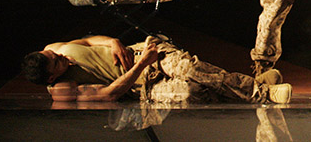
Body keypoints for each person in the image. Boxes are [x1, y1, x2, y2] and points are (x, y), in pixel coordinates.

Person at [21, 34, 291, 104]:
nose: (60, 55)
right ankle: (254, 83)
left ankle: (262, 93)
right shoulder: (63, 90)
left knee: (189, 69)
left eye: (54, 53)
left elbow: (89, 40)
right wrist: (141, 65)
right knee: (191, 93)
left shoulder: (54, 47)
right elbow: (109, 94)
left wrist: (114, 41)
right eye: (57, 61)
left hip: (141, 52)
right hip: (141, 83)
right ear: (53, 76)